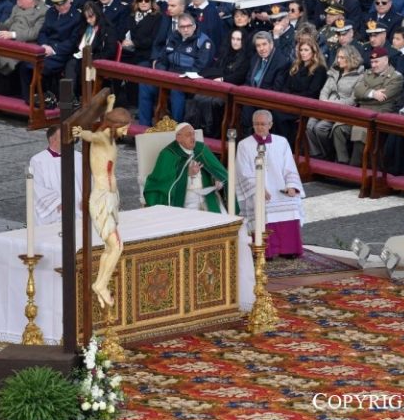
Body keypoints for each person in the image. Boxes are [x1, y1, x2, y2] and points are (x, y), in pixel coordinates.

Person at [71, 102, 132, 308]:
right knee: (117, 246)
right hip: (101, 199)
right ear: (115, 126)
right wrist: (81, 133)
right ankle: (101, 285)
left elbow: (104, 122)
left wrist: (110, 104)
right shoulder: (103, 138)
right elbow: (93, 136)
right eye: (124, 128)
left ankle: (100, 284)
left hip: (110, 198)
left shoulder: (109, 137)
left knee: (112, 246)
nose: (126, 132)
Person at [236, 110, 305, 259]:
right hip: (257, 189)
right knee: (261, 206)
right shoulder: (244, 145)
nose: (260, 127)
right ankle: (266, 251)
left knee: (291, 204)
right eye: (256, 124)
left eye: (263, 124)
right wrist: (258, 189)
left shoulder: (282, 142)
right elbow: (243, 172)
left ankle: (288, 249)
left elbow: (289, 167)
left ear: (270, 125)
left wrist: (291, 186)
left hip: (280, 188)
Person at [334, 46, 403, 167]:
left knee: (360, 131)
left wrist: (365, 94)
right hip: (360, 113)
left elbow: (383, 98)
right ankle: (342, 162)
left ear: (386, 60)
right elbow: (357, 91)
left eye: (376, 62)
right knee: (339, 128)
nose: (373, 65)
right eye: (372, 62)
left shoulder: (396, 77)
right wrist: (373, 93)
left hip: (378, 116)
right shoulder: (368, 73)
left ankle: (355, 167)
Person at [143, 123, 231, 212]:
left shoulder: (201, 149)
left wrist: (217, 179)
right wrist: (186, 173)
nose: (193, 138)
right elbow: (161, 182)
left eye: (193, 134)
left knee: (222, 218)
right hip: (185, 199)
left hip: (208, 196)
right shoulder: (168, 154)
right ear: (178, 138)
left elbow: (218, 172)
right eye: (188, 135)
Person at [307, 44, 364, 161]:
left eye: (342, 57)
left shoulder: (359, 77)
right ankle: (317, 154)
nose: (338, 60)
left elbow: (353, 100)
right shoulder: (334, 72)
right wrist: (324, 102)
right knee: (310, 124)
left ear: (351, 58)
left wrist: (333, 105)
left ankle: (328, 154)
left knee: (320, 128)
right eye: (338, 57)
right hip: (325, 107)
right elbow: (324, 91)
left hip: (342, 111)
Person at [29, 124, 82, 226]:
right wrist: (56, 203)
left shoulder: (78, 156)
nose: (70, 140)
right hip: (54, 211)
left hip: (78, 208)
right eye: (65, 137)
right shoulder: (38, 160)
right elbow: (36, 187)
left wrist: (87, 198)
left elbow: (89, 179)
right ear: (53, 140)